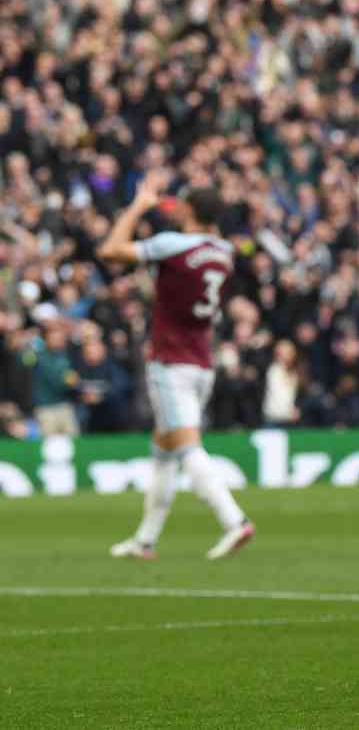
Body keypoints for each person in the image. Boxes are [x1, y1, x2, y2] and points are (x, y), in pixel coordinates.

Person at [99, 172, 255, 560]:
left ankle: (233, 520)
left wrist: (140, 205)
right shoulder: (224, 251)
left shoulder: (173, 245)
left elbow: (111, 249)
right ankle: (145, 540)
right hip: (203, 359)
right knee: (163, 448)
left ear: (188, 209)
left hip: (170, 360)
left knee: (186, 446)